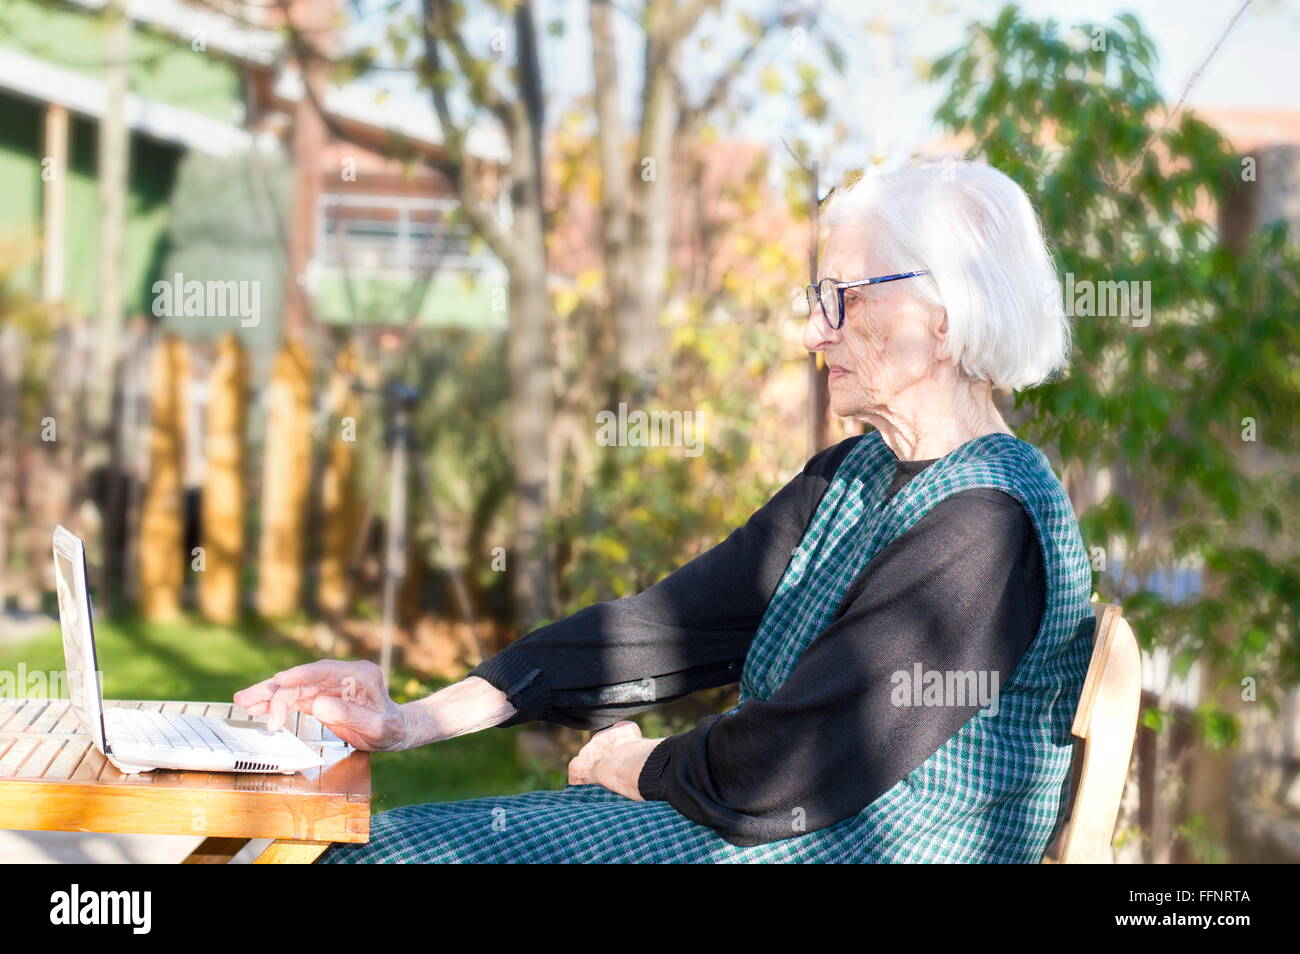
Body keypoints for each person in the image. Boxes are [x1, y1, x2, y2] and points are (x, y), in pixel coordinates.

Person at [235, 160, 1096, 862]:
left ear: (940, 323)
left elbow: (785, 768)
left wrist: (633, 762)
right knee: (363, 852)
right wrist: (413, 720)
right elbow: (665, 628)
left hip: (814, 846)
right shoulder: (862, 474)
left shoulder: (988, 526)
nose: (811, 333)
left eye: (846, 297)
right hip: (757, 837)